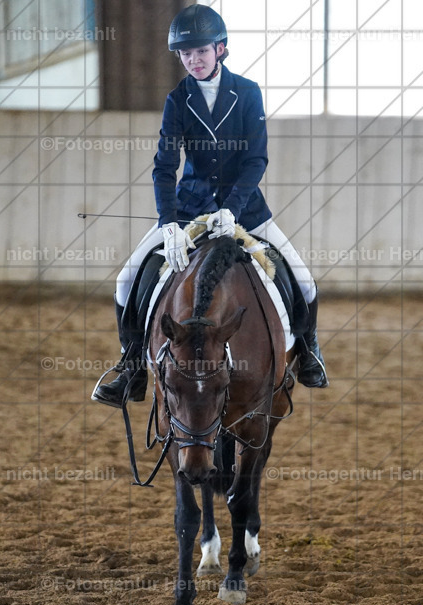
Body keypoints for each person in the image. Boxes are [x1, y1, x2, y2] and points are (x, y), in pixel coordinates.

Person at [93, 5, 328, 408]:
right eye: (185, 54)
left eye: (200, 51)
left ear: (220, 49)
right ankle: (130, 366)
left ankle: (308, 354)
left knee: (304, 282)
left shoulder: (248, 92)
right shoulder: (177, 100)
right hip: (189, 212)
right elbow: (165, 167)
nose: (193, 60)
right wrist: (168, 223)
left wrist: (233, 208)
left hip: (246, 210)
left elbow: (256, 160)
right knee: (126, 280)